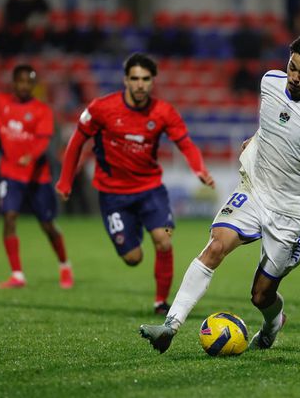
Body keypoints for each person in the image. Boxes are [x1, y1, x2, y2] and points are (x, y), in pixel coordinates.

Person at [139, 32, 300, 354]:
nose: (295, 77)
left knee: (261, 295)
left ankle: (273, 322)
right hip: (254, 189)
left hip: (291, 210)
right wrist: (257, 139)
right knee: (216, 246)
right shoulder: (270, 82)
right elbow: (273, 122)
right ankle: (171, 325)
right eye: (292, 68)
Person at [55, 53, 215, 315]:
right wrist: (65, 179)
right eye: (135, 79)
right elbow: (76, 141)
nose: (140, 84)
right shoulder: (101, 108)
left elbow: (185, 143)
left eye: (145, 79)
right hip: (113, 195)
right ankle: (134, 231)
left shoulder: (163, 112)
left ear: (153, 81)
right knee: (133, 258)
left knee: (164, 240)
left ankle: (161, 303)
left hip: (151, 191)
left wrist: (199, 168)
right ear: (126, 80)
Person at [0, 42, 73, 289]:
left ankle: (64, 265)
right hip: (11, 174)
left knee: (47, 226)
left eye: (29, 82)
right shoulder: (0, 102)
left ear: (34, 85)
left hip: (38, 177)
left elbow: (43, 141)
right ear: (13, 83)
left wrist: (32, 155)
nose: (25, 86)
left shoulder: (41, 110)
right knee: (9, 218)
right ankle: (17, 274)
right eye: (21, 81)